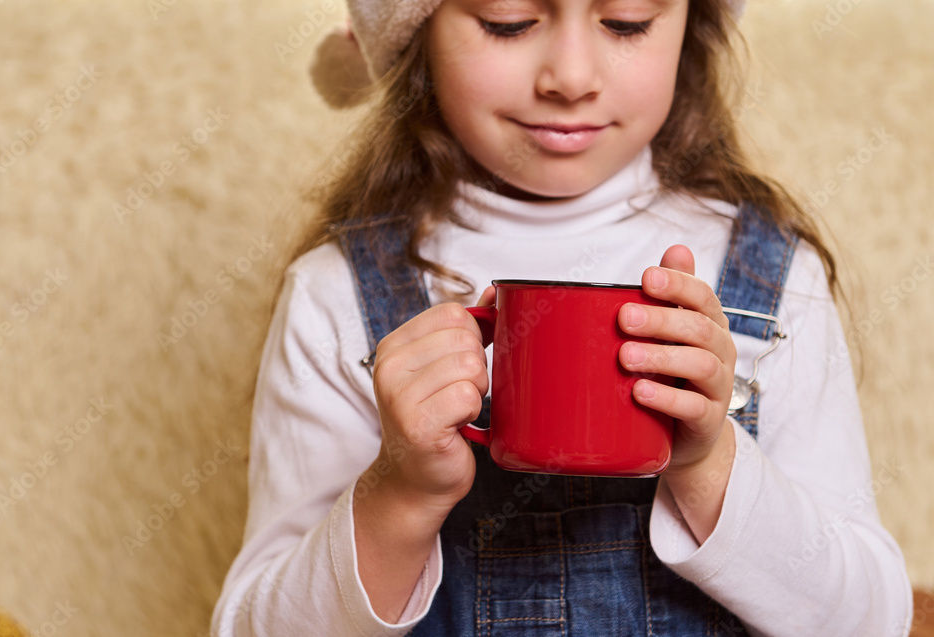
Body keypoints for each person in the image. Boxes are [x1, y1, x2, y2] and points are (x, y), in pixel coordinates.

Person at [212, 0, 913, 634]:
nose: (571, 77)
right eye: (509, 21)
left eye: (627, 21)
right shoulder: (337, 298)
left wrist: (708, 462)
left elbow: (871, 619)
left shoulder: (774, 281)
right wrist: (398, 492)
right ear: (415, 30)